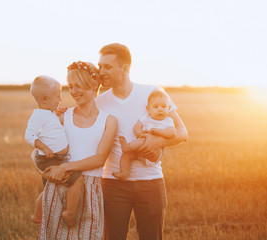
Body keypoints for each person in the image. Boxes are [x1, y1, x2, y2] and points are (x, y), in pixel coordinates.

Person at [96, 43, 188, 240]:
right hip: (113, 183)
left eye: (107, 67)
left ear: (125, 68)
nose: (101, 72)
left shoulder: (153, 93)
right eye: (100, 66)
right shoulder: (99, 102)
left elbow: (182, 132)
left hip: (151, 182)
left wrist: (158, 143)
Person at [38, 61, 118, 239]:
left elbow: (99, 159)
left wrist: (65, 167)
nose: (74, 91)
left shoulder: (109, 121)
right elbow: (39, 148)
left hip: (90, 189)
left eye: (79, 86)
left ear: (94, 85)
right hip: (60, 185)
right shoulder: (62, 117)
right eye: (71, 86)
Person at [24, 75, 83, 226]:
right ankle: (70, 213)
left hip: (57, 158)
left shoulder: (48, 114)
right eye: (58, 96)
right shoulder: (38, 116)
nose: (60, 100)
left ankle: (38, 215)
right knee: (77, 179)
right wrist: (44, 147)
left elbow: (51, 128)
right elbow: (29, 135)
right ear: (44, 98)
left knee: (51, 188)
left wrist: (56, 115)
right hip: (51, 158)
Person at [113, 89, 177, 181]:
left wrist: (159, 132)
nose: (160, 109)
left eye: (164, 106)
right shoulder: (146, 118)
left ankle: (127, 146)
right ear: (148, 109)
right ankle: (124, 172)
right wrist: (140, 133)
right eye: (156, 107)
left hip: (155, 153)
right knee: (127, 155)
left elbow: (172, 133)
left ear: (168, 108)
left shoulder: (167, 121)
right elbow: (136, 127)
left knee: (144, 140)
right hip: (140, 152)